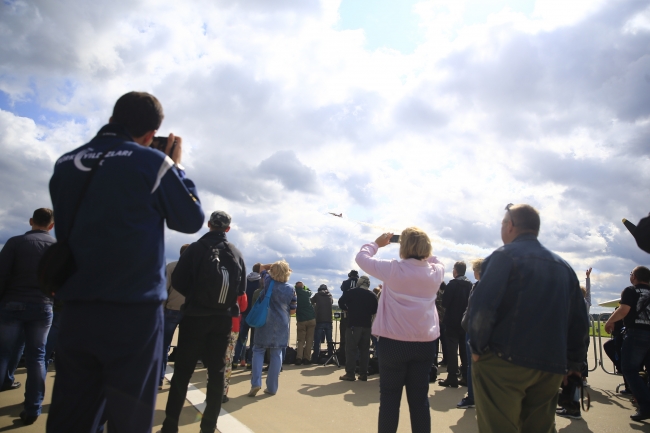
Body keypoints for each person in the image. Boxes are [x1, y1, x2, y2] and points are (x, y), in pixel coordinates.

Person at [47, 91, 205, 433]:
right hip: (132, 308)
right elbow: (190, 219)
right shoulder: (152, 162)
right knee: (129, 414)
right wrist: (175, 166)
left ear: (112, 117)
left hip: (76, 302)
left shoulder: (66, 162)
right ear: (151, 134)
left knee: (72, 412)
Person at [468, 204, 589, 433]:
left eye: (503, 223)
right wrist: (574, 363)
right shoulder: (564, 267)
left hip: (505, 361)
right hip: (550, 366)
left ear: (510, 225)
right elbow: (578, 322)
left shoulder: (503, 256)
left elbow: (483, 307)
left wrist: (476, 348)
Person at [160, 210, 246, 433]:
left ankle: (170, 426)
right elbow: (241, 289)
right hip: (223, 319)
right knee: (216, 373)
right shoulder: (235, 252)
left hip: (195, 316)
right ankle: (208, 427)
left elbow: (178, 280)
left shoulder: (196, 249)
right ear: (228, 228)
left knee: (182, 372)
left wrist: (195, 297)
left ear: (209, 224)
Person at [356, 228, 444, 433]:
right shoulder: (435, 272)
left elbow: (362, 258)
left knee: (389, 399)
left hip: (393, 342)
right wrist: (422, 247)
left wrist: (376, 243)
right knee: (419, 400)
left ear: (403, 247)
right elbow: (437, 260)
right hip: (425, 343)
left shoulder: (393, 269)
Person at [0, 208, 56, 425]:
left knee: (3, 352)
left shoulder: (14, 243)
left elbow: (2, 273)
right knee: (37, 357)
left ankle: (6, 380)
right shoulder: (57, 248)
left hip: (12, 302)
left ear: (31, 221)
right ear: (51, 225)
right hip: (42, 307)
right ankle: (33, 407)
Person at [604, 266, 650, 421]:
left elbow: (624, 310)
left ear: (634, 276)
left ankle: (645, 405)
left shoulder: (630, 291)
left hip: (637, 333)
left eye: (631, 274)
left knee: (629, 369)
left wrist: (610, 321)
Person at [248, 260, 297, 396]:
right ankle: (272, 387)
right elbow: (293, 311)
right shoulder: (291, 289)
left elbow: (261, 267)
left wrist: (274, 266)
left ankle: (256, 382)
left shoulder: (268, 281)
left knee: (258, 350)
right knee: (276, 353)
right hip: (281, 323)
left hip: (265, 321)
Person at [159, 243, 189, 389]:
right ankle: (179, 381)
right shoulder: (198, 270)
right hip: (189, 312)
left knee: (164, 345)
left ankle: (159, 378)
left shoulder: (171, 267)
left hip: (171, 309)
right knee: (185, 349)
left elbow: (163, 289)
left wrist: (162, 308)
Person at [439, 261, 472, 388]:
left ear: (456, 270)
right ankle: (465, 376)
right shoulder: (470, 285)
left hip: (452, 321)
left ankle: (452, 376)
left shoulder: (452, 285)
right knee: (464, 350)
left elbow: (445, 303)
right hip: (465, 322)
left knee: (452, 350)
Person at [338, 275, 378, 381]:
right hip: (367, 326)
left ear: (359, 283)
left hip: (353, 324)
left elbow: (341, 302)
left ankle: (350, 373)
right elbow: (374, 310)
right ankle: (363, 373)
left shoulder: (351, 292)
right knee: (364, 350)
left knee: (351, 349)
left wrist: (347, 309)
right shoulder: (372, 295)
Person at [457, 258, 483, 409]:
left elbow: (473, 309)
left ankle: (472, 397)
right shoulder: (491, 286)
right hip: (481, 330)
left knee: (471, 365)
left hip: (473, 330)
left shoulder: (479, 286)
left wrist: (465, 322)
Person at [234, 263, 262, 368]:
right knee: (254, 340)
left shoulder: (245, 280)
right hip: (255, 314)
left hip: (244, 312)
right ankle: (250, 361)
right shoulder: (261, 283)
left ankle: (236, 360)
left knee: (241, 338)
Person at [223, 290, 248, 403]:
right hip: (233, 324)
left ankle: (211, 390)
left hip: (215, 321)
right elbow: (243, 307)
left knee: (213, 358)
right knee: (228, 360)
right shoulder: (239, 288)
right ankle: (223, 392)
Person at [311, 284, 334, 362]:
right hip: (329, 320)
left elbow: (311, 301)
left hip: (319, 320)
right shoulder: (330, 295)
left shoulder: (317, 295)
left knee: (317, 340)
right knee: (329, 340)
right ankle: (330, 356)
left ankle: (315, 357)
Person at [294, 281, 316, 365]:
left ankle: (299, 358)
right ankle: (307, 358)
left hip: (301, 319)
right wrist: (305, 287)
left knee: (300, 340)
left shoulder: (295, 294)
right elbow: (310, 292)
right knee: (309, 339)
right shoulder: (307, 293)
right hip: (311, 319)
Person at [339, 270, 359, 358]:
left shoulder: (345, 283)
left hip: (346, 312)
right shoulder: (360, 282)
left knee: (344, 334)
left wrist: (344, 308)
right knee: (357, 336)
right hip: (358, 313)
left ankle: (343, 355)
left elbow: (342, 290)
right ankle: (356, 356)